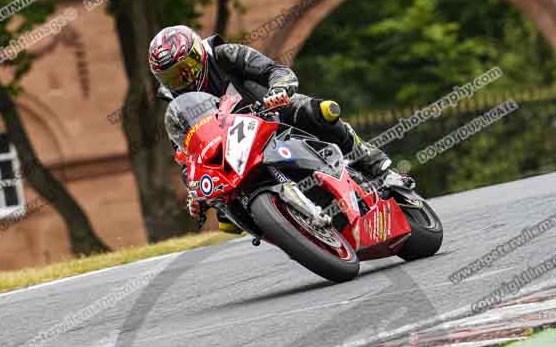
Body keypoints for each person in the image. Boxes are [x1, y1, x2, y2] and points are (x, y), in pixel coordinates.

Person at [149, 25, 392, 231]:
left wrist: (280, 89)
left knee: (321, 111)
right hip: (231, 152)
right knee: (225, 219)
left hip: (270, 111)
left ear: (198, 52)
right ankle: (286, 227)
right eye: (172, 78)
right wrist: (194, 194)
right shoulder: (176, 106)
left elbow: (274, 70)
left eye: (186, 69)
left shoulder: (225, 55)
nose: (183, 80)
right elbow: (187, 158)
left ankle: (375, 166)